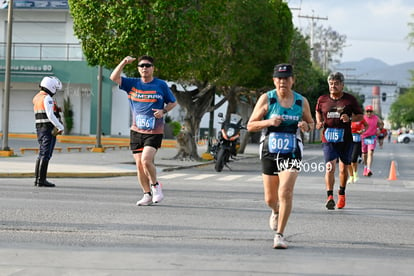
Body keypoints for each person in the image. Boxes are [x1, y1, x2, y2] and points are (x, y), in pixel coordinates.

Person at [247, 64, 314, 249]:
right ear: (274, 80)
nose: (282, 81)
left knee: (285, 191)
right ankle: (275, 210)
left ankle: (280, 235)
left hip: (292, 151)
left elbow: (311, 123)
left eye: (286, 78)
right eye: (279, 78)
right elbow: (250, 125)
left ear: (292, 80)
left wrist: (306, 127)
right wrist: (269, 121)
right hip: (270, 150)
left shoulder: (301, 101)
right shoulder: (267, 99)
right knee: (270, 198)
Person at [110, 55, 177, 206]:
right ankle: (146, 194)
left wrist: (163, 111)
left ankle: (155, 186)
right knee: (139, 165)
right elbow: (114, 77)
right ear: (138, 69)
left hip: (154, 131)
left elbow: (173, 102)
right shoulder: (132, 83)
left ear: (153, 68)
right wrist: (124, 62)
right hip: (136, 130)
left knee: (146, 160)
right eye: (141, 66)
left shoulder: (160, 85)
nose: (144, 68)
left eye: (147, 65)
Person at [315, 72, 363, 210]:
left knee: (343, 169)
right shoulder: (322, 99)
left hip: (345, 139)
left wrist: (350, 119)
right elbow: (318, 111)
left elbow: (360, 116)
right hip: (328, 138)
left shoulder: (350, 100)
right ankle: (329, 196)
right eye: (331, 83)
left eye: (336, 83)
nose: (333, 86)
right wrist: (319, 122)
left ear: (342, 85)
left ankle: (341, 193)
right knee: (329, 167)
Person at [33, 76, 64, 187]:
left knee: (42, 154)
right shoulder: (47, 98)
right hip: (48, 130)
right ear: (51, 87)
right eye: (55, 88)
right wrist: (60, 126)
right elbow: (50, 115)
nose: (55, 91)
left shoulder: (37, 97)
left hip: (40, 128)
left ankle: (38, 179)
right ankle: (42, 180)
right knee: (46, 154)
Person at [361, 105, 383, 176]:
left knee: (370, 153)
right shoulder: (362, 118)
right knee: (364, 154)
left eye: (370, 111)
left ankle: (368, 169)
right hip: (364, 137)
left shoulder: (376, 118)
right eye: (367, 111)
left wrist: (379, 129)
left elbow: (382, 124)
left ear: (372, 112)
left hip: (372, 137)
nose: (369, 113)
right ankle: (365, 166)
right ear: (365, 112)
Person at [347, 118, 368, 184]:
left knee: (353, 159)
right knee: (348, 160)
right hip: (348, 140)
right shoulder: (346, 117)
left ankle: (355, 174)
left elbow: (366, 125)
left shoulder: (359, 117)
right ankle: (351, 176)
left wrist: (363, 130)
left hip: (357, 140)